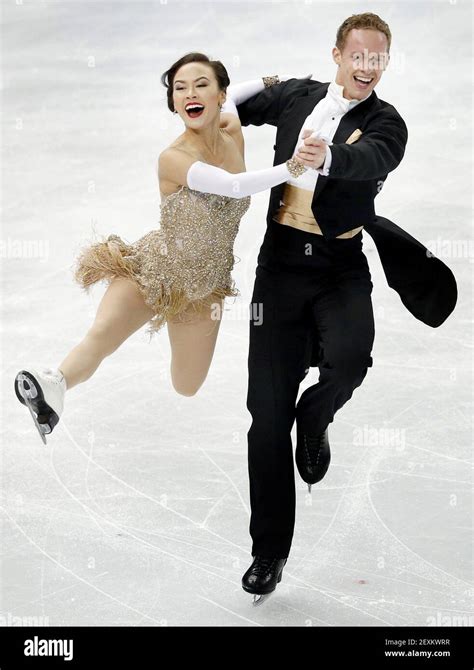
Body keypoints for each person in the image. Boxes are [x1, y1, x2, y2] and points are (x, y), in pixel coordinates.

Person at [224, 12, 457, 604]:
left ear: (385, 63)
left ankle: (318, 415)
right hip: (279, 267)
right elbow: (231, 109)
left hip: (339, 265)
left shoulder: (387, 123)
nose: (367, 67)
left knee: (351, 360)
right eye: (358, 55)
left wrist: (324, 156)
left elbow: (370, 160)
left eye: (377, 58)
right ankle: (268, 551)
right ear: (337, 54)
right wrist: (254, 85)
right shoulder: (298, 96)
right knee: (265, 416)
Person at [13, 52, 311, 445]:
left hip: (203, 288)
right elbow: (234, 186)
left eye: (201, 84)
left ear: (219, 95)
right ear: (173, 102)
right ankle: (54, 385)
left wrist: (282, 79)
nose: (190, 93)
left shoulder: (230, 127)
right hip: (156, 267)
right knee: (102, 334)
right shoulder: (173, 158)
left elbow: (238, 92)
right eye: (180, 88)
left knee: (187, 384)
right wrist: (293, 167)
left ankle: (63, 383)